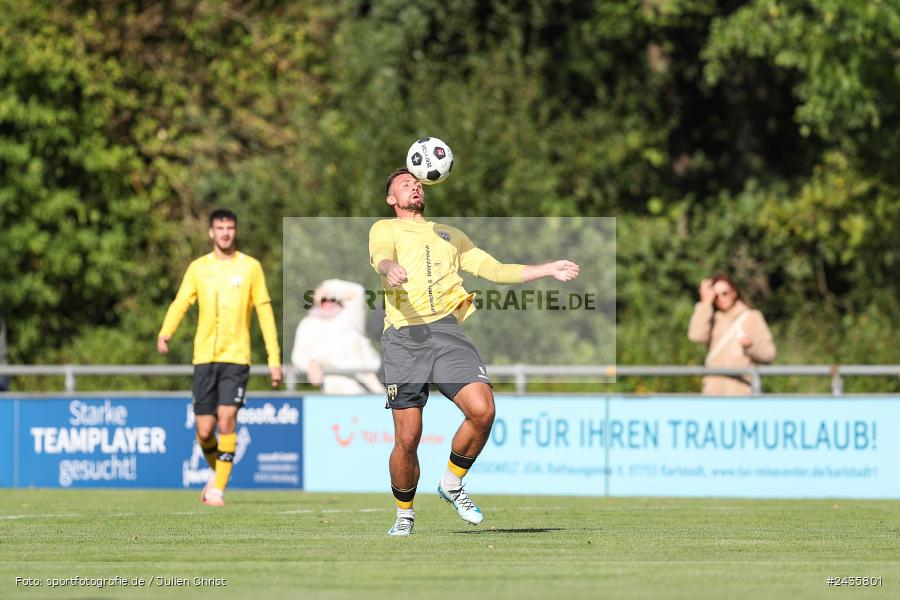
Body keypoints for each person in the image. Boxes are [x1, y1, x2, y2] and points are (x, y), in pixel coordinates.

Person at [370, 168, 580, 536]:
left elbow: (496, 270)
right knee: (408, 437)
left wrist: (547, 268)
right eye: (405, 184)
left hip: (447, 333)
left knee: (483, 411)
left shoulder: (451, 236)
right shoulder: (384, 229)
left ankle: (452, 482)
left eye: (416, 182)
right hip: (404, 338)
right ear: (392, 199)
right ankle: (404, 514)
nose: (414, 186)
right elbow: (380, 258)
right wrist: (389, 269)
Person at [157, 208, 282, 506]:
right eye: (220, 228)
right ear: (211, 232)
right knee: (204, 430)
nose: (225, 232)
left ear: (235, 231)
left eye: (230, 227)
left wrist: (273, 360)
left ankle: (217, 490)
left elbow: (264, 313)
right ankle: (219, 473)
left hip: (236, 358)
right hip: (204, 357)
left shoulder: (251, 267)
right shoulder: (199, 268)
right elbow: (181, 302)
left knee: (227, 420)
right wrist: (165, 332)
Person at [687, 273, 776, 395]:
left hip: (742, 392)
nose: (721, 298)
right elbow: (696, 336)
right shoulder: (711, 319)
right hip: (714, 394)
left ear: (734, 292)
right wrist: (705, 303)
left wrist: (750, 346)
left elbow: (768, 354)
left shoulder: (752, 317)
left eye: (725, 293)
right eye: (716, 296)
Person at [291, 279, 385, 395]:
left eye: (332, 298)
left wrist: (328, 286)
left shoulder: (350, 317)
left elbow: (358, 291)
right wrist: (310, 363)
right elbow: (298, 356)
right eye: (324, 299)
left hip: (368, 386)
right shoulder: (308, 324)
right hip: (335, 388)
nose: (328, 302)